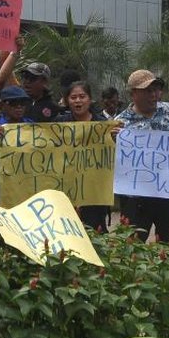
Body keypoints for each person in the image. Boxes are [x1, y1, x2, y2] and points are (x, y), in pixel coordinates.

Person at [114, 69, 169, 242]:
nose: (154, 94)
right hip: (136, 197)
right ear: (133, 93)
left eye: (156, 89)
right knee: (132, 248)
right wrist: (115, 142)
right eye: (147, 90)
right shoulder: (120, 122)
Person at [54, 82, 120, 231]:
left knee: (96, 231)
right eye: (73, 97)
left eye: (82, 96)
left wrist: (116, 139)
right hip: (67, 190)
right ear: (67, 101)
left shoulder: (103, 125)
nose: (78, 101)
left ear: (90, 99)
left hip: (95, 192)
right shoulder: (59, 124)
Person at [0, 86, 34, 205]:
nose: (19, 107)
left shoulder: (32, 127)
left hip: (25, 191)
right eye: (13, 103)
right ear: (2, 105)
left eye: (22, 103)